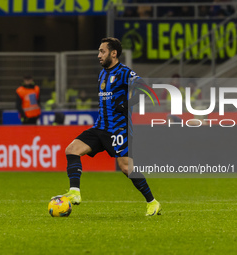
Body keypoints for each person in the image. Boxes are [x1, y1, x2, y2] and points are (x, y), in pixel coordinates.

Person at [53, 37, 161, 216]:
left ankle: (153, 202)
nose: (98, 55)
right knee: (72, 150)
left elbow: (146, 90)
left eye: (102, 51)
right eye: (98, 51)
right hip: (100, 127)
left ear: (114, 53)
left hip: (119, 129)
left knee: (126, 168)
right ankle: (75, 192)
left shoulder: (125, 72)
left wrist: (127, 104)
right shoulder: (102, 74)